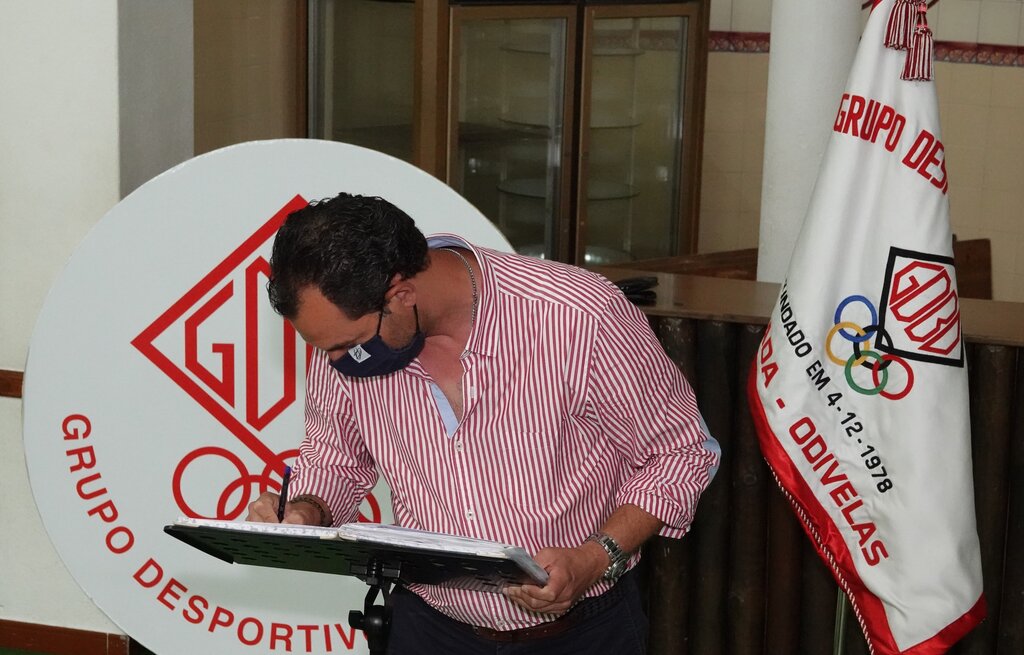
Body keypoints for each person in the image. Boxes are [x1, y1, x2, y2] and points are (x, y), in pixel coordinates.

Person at [246, 192, 720, 654]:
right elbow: (336, 461)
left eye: (347, 345)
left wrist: (595, 558)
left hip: (584, 632)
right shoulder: (348, 337)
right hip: (426, 627)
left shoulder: (577, 316)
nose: (335, 362)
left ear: (402, 294)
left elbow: (681, 453)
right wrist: (305, 511)